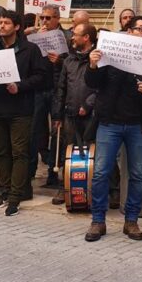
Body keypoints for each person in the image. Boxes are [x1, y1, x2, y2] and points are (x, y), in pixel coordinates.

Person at [83, 16, 142, 242]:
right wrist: (93, 64)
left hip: (138, 125)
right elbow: (92, 83)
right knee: (101, 173)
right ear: (129, 31)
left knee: (137, 174)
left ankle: (131, 220)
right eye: (140, 29)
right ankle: (98, 221)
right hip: (109, 123)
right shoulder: (109, 52)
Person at [0, 10, 47, 216]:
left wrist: (19, 86)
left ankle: (15, 196)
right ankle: (5, 191)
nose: (1, 26)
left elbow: (41, 77)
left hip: (20, 110)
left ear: (17, 27)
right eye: (0, 22)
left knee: (19, 153)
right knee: (1, 152)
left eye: (6, 23)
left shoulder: (30, 49)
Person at [51, 22, 98, 205]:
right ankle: (65, 188)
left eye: (76, 34)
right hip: (70, 114)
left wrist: (88, 104)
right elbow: (61, 88)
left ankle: (111, 189)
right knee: (68, 152)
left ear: (86, 38)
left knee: (96, 153)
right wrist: (57, 115)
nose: (72, 37)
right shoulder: (69, 60)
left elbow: (101, 88)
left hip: (92, 116)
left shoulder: (98, 59)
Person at [32, 5, 71, 188]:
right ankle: (33, 168)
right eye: (42, 18)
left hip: (57, 90)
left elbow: (74, 63)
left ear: (57, 19)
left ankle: (53, 172)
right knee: (36, 129)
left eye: (48, 18)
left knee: (57, 131)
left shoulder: (67, 37)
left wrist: (60, 61)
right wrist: (35, 40)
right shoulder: (36, 36)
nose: (44, 21)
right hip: (40, 89)